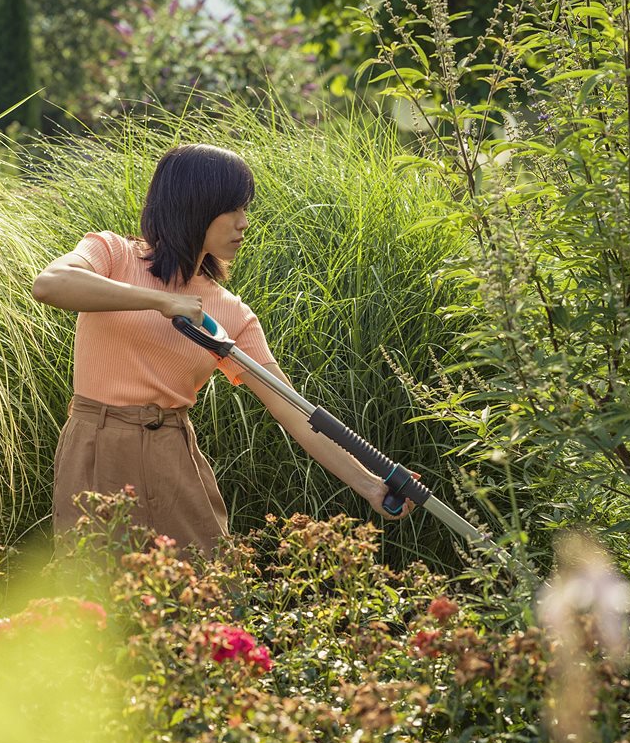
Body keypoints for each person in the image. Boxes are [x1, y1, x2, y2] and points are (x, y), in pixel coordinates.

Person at [32, 143, 414, 555]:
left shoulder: (228, 313)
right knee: (93, 596)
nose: (243, 223)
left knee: (207, 593)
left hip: (172, 453)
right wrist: (162, 302)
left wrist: (371, 484)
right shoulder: (113, 254)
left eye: (244, 210)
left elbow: (293, 411)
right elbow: (50, 284)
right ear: (195, 205)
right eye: (232, 209)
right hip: (96, 445)